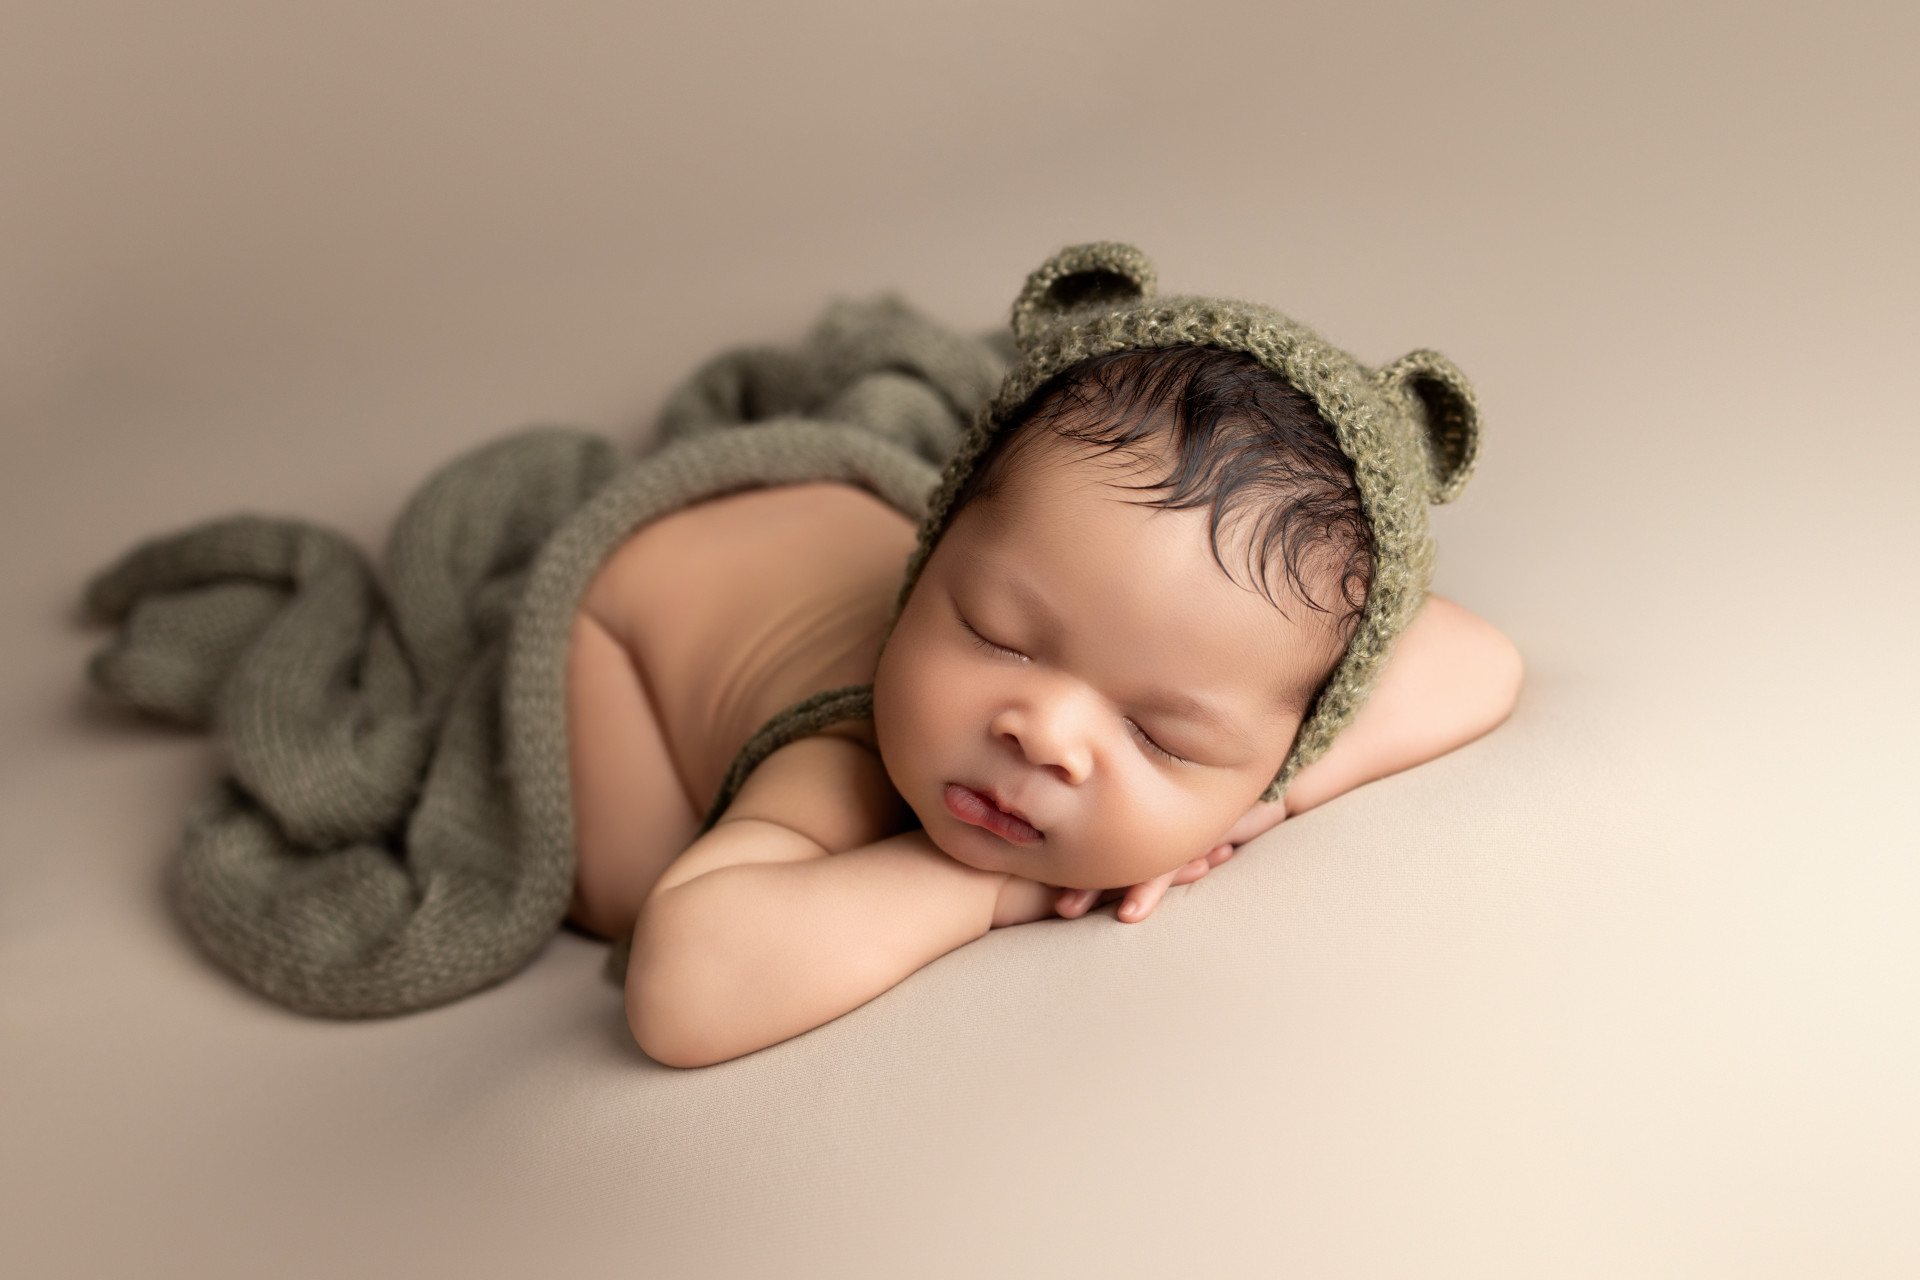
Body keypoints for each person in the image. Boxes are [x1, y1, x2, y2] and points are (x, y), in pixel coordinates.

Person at [567, 270, 1522, 1068]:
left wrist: (1258, 796)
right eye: (999, 635)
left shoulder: (1235, 719)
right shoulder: (838, 759)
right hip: (623, 611)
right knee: (621, 891)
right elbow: (682, 990)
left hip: (793, 544)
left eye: (1161, 735)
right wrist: (990, 890)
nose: (1046, 734)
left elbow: (1478, 659)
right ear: (932, 564)